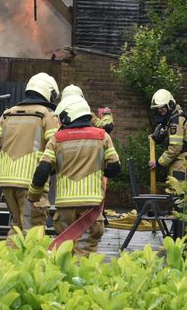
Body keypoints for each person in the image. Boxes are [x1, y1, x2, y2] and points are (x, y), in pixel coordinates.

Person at [28, 94, 120, 255]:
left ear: (68, 115)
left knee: (66, 250)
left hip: (65, 207)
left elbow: (43, 170)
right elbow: (114, 168)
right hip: (91, 207)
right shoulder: (102, 136)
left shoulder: (57, 139)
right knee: (85, 253)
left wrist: (34, 195)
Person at [0, 72, 59, 233]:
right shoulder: (46, 115)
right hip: (32, 184)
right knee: (33, 230)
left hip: (7, 182)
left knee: (17, 226)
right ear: (48, 92)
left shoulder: (8, 114)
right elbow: (56, 148)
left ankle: (10, 258)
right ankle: (29, 258)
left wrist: (7, 163)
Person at [148, 88, 187, 186]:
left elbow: (175, 148)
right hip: (186, 160)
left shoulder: (176, 121)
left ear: (169, 104)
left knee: (179, 195)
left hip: (182, 164)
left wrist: (158, 163)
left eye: (162, 107)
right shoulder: (176, 116)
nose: (159, 110)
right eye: (158, 108)